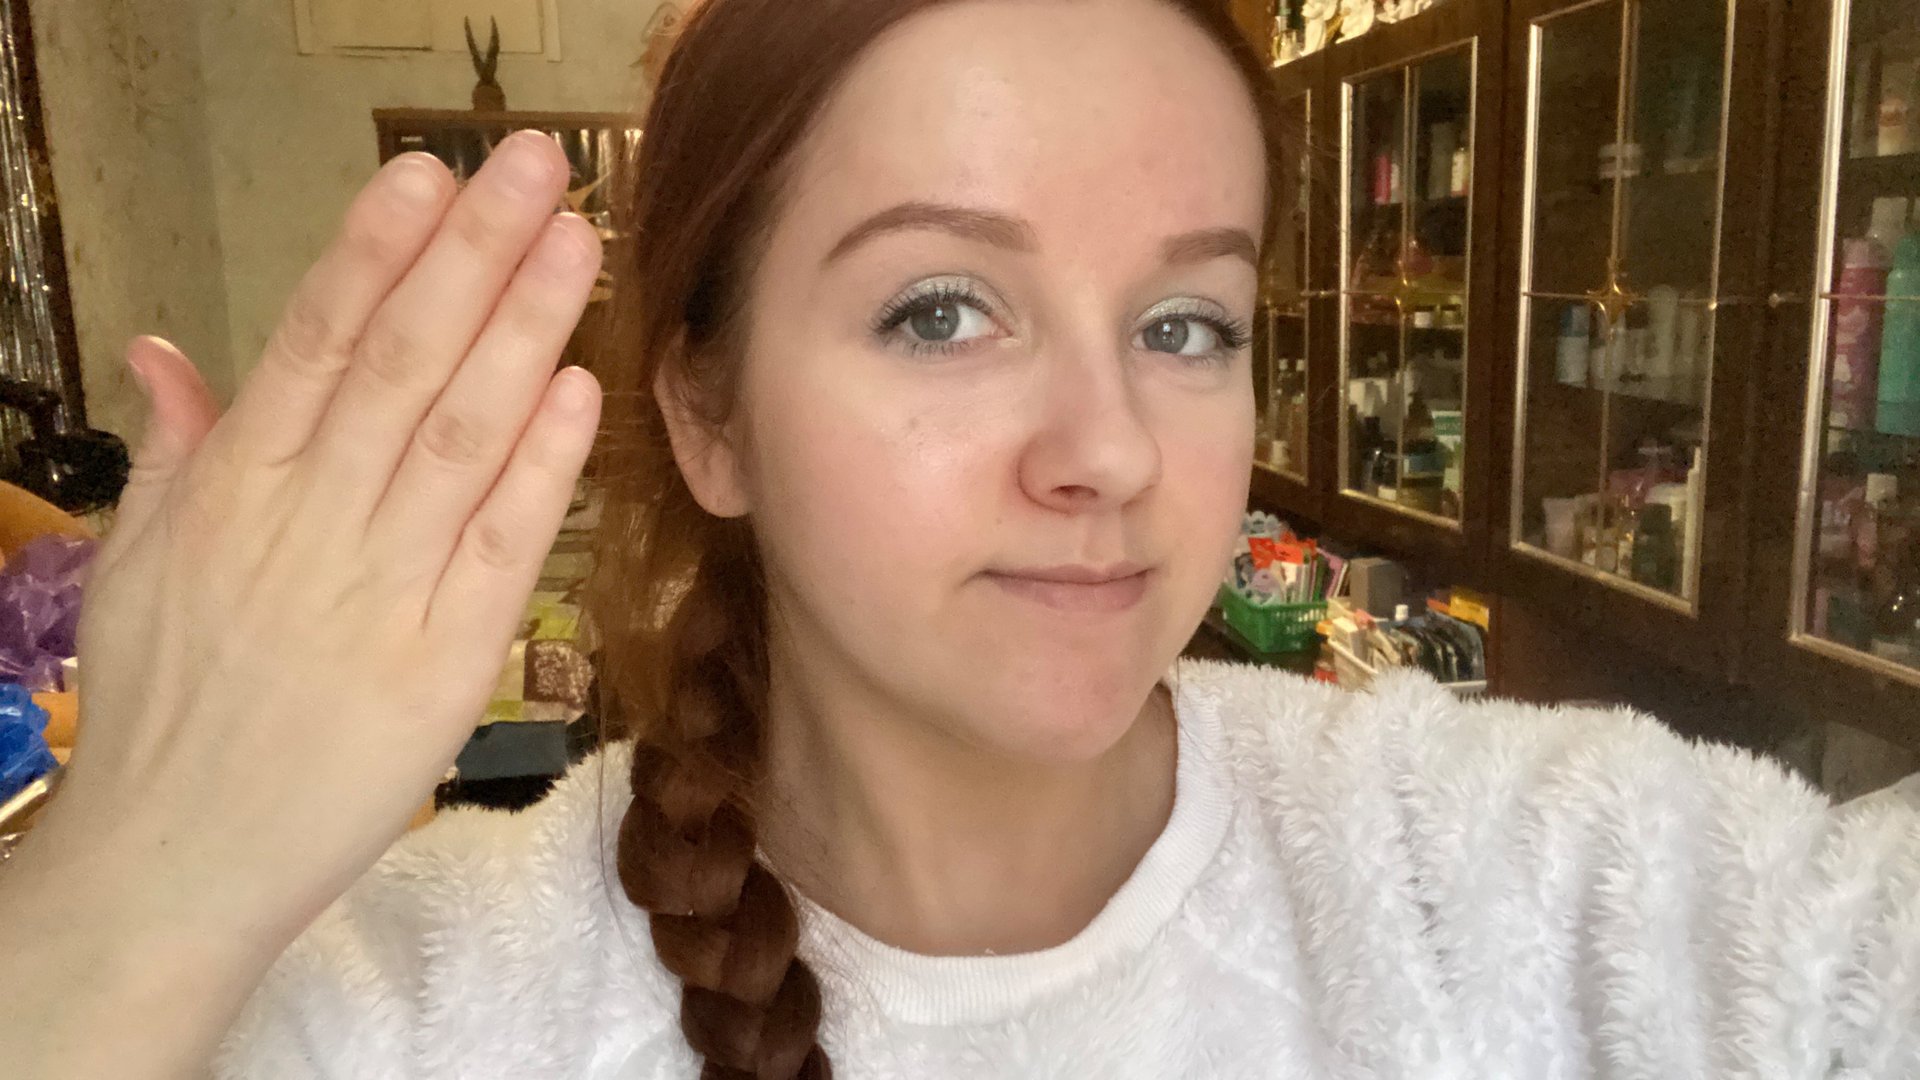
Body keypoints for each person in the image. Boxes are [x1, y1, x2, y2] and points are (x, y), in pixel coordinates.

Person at [3, 0, 1917, 1076]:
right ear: (707, 412)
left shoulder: (1503, 877)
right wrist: (146, 886)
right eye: (942, 309)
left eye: (1188, 324)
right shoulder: (420, 1009)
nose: (1110, 451)